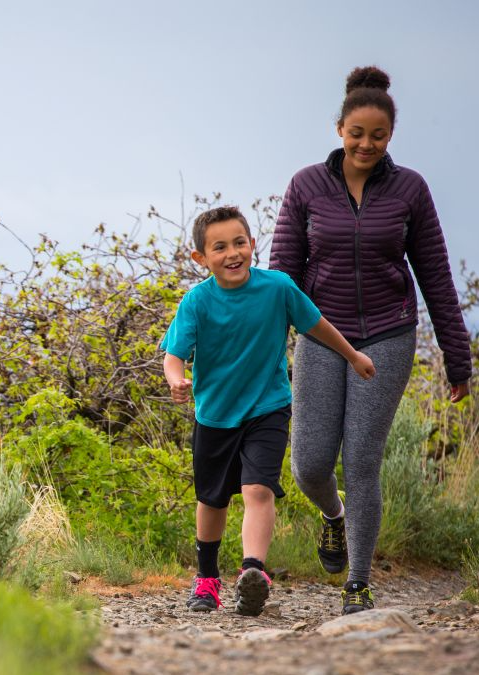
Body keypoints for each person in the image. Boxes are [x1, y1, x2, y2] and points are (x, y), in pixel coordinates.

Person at [270, 65, 473, 615]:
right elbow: (282, 277)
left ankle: (358, 582)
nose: (366, 144)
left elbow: (435, 274)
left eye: (377, 136)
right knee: (309, 464)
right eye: (357, 133)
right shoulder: (306, 185)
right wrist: (266, 348)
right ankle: (333, 519)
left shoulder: (410, 189)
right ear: (339, 129)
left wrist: (459, 359)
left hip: (387, 334)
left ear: (390, 137)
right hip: (320, 334)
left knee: (362, 460)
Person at [162, 205, 375, 616]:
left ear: (253, 243)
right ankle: (206, 580)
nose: (232, 253)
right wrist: (176, 378)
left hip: (268, 408)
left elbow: (316, 324)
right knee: (212, 501)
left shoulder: (277, 287)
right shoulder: (197, 302)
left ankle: (252, 573)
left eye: (239, 242)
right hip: (215, 415)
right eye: (219, 247)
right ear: (201, 259)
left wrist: (351, 355)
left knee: (258, 489)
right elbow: (174, 354)